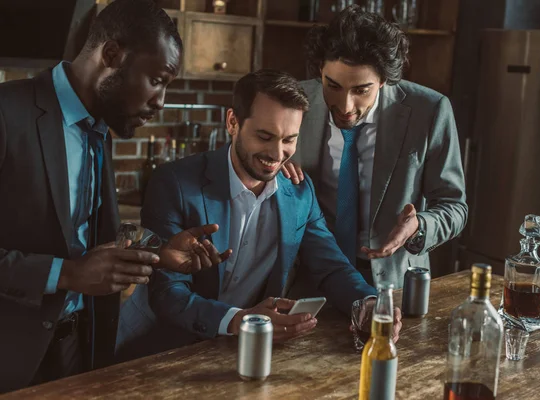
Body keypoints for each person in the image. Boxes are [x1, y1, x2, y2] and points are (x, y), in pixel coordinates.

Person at [0, 0, 227, 393]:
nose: (160, 102)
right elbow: (76, 264)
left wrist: (157, 254)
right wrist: (68, 274)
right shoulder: (7, 113)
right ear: (111, 55)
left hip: (81, 351)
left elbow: (82, 240)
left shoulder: (101, 126)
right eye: (157, 79)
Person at [119, 69, 401, 358]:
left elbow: (331, 267)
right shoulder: (174, 184)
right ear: (232, 122)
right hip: (156, 349)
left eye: (289, 139)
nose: (277, 154)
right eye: (265, 136)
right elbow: (167, 293)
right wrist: (238, 320)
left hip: (241, 352)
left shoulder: (300, 193)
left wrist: (368, 302)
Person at [282, 5, 467, 288]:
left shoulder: (429, 111)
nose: (345, 106)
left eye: (361, 90)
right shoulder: (296, 101)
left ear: (383, 80)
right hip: (308, 273)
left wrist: (418, 227)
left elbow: (454, 207)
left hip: (391, 279)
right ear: (320, 69)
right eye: (332, 85)